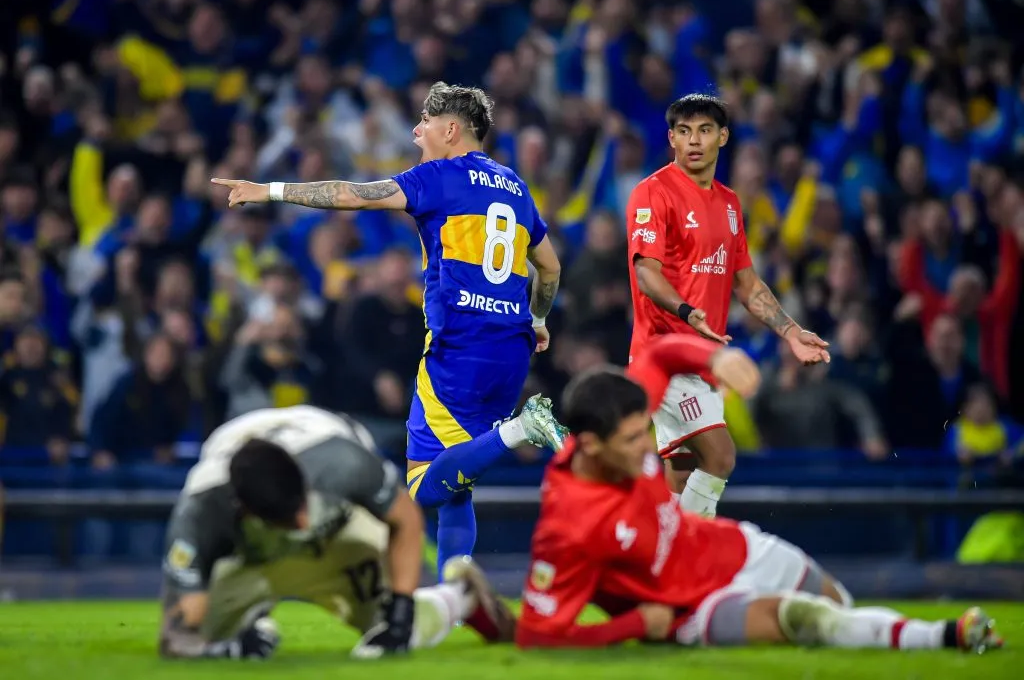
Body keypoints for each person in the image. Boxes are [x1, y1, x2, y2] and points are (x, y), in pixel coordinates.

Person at [212, 81, 566, 579]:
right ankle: (455, 598)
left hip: (459, 348)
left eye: (425, 122)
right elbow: (549, 268)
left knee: (422, 483)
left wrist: (267, 190)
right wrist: (539, 319)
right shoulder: (516, 187)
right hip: (511, 349)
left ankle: (521, 429)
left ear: (451, 130)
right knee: (458, 484)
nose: (417, 132)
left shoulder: (437, 176)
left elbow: (350, 195)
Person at [515, 334, 1002, 653]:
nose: (648, 448)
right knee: (803, 619)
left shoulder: (619, 414)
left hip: (732, 548)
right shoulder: (568, 523)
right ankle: (948, 635)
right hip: (692, 610)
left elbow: (659, 355)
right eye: (632, 441)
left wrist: (716, 357)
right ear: (590, 445)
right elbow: (537, 635)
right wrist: (636, 624)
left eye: (645, 431)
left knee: (841, 609)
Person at [158, 405, 516, 660]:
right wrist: (223, 650)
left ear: (301, 477)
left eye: (299, 504)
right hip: (249, 556)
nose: (301, 523)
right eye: (287, 516)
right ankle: (250, 620)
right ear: (244, 509)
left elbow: (406, 519)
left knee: (398, 631)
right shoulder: (202, 508)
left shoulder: (340, 462)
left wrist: (401, 609)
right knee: (206, 636)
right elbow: (176, 636)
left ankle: (460, 595)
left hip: (337, 535)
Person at [626, 93, 830, 517]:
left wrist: (791, 332)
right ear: (671, 138)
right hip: (665, 356)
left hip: (707, 363)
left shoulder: (731, 204)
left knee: (682, 475)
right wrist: (687, 312)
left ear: (723, 137)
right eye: (684, 132)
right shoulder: (653, 193)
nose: (694, 141)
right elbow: (646, 273)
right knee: (720, 457)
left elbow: (747, 283)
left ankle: (664, 549)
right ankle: (690, 548)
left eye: (704, 131)